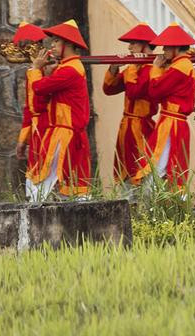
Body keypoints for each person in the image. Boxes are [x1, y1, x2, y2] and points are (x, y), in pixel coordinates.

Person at [25, 20, 91, 203]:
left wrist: (36, 69)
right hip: (63, 132)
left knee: (39, 180)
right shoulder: (66, 68)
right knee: (69, 185)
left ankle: (31, 213)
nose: (51, 46)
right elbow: (40, 102)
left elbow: (38, 87)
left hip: (64, 134)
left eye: (56, 41)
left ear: (68, 44)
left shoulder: (70, 70)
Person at [134, 23, 195, 191]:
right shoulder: (180, 65)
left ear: (176, 47)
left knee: (157, 167)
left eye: (167, 48)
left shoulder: (181, 66)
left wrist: (155, 69)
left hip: (171, 125)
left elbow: (155, 90)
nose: (164, 51)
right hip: (171, 122)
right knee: (167, 167)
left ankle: (152, 207)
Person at [103, 24, 157, 187]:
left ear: (144, 44)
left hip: (141, 127)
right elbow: (109, 89)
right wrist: (114, 67)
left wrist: (132, 66)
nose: (129, 47)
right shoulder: (133, 68)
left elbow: (134, 92)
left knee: (141, 168)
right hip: (126, 126)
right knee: (125, 168)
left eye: (133, 43)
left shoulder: (152, 68)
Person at [13, 23, 48, 179]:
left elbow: (40, 102)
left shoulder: (49, 68)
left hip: (49, 125)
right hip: (36, 128)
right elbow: (30, 107)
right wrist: (22, 139)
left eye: (24, 45)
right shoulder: (33, 71)